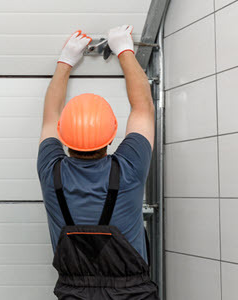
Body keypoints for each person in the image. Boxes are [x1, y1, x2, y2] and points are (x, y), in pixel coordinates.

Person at [37, 26, 159, 299]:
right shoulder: (129, 168)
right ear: (110, 134)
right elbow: (143, 107)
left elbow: (49, 116)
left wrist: (65, 61)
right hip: (133, 294)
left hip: (73, 293)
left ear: (64, 136)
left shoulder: (50, 171)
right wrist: (124, 49)